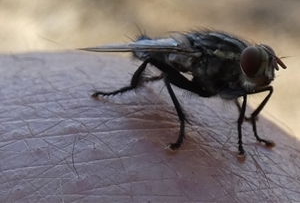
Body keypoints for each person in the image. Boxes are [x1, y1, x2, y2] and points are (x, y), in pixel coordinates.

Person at [1, 52, 299, 202]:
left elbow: (241, 89)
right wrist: (183, 127)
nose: (268, 73)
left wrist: (249, 124)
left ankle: (251, 128)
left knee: (252, 92)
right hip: (175, 57)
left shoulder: (242, 71)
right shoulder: (213, 57)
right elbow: (170, 72)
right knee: (166, 73)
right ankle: (134, 94)